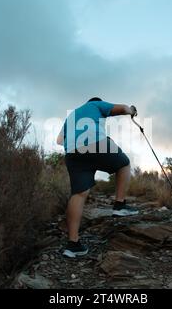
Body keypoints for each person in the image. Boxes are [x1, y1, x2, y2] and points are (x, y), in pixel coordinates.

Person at [56, 97, 139, 258]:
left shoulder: (71, 115)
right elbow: (122, 109)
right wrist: (132, 110)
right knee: (124, 164)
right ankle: (120, 205)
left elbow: (59, 140)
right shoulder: (95, 104)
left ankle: (73, 244)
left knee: (78, 194)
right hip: (95, 142)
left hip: (72, 151)